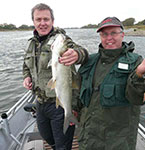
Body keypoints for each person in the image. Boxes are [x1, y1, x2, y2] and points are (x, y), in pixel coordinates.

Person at [76, 17, 145, 150]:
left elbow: (138, 99)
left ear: (122, 35)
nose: (109, 38)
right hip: (88, 137)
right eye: (104, 34)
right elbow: (77, 91)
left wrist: (139, 74)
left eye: (113, 33)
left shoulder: (136, 62)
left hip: (118, 141)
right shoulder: (89, 61)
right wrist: (73, 110)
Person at [22, 3, 88, 150]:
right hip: (40, 103)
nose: (42, 23)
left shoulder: (62, 39)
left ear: (52, 21)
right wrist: (26, 77)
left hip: (59, 104)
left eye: (46, 19)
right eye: (38, 19)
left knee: (63, 145)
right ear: (33, 21)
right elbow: (26, 65)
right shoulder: (30, 44)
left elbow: (82, 52)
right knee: (46, 136)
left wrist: (77, 54)